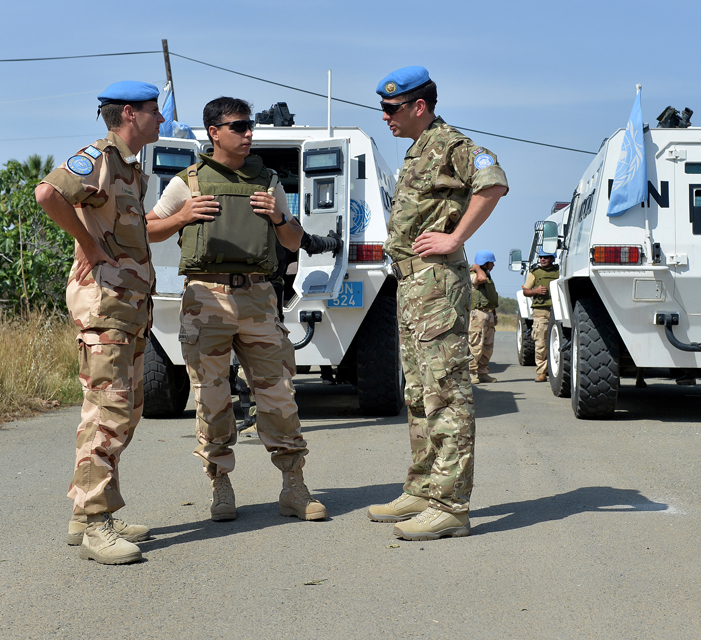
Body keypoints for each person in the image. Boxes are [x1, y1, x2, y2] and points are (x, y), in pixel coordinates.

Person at [145, 96, 326, 522]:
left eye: (249, 127)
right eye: (239, 127)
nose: (249, 134)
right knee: (211, 397)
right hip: (205, 299)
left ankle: (294, 486)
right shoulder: (187, 182)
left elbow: (294, 241)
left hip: (259, 299)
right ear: (214, 132)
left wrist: (280, 218)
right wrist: (183, 216)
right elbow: (148, 229)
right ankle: (220, 484)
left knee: (278, 395)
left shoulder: (268, 181)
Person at [366, 66, 508, 541]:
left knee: (446, 391)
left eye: (391, 109)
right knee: (418, 392)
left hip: (436, 285)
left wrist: (455, 238)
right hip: (411, 285)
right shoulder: (416, 151)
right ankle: (424, 488)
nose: (385, 117)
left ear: (418, 106)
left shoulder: (451, 145)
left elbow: (492, 184)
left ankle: (451, 505)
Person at [35, 81, 164, 564]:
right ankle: (95, 525)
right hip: (104, 306)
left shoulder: (130, 168)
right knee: (105, 414)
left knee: (124, 413)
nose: (161, 119)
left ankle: (87, 510)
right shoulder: (99, 156)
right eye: (154, 111)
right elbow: (47, 192)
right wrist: (87, 246)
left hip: (128, 307)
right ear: (129, 114)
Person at [522, 249, 559, 382]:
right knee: (541, 343)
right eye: (541, 257)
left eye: (546, 257)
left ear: (553, 259)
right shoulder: (535, 273)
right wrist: (535, 291)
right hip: (541, 311)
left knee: (557, 343)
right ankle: (542, 372)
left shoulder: (560, 271)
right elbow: (525, 291)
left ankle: (556, 369)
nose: (543, 259)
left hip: (557, 311)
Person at [469, 251, 499, 384]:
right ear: (484, 263)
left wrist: (494, 314)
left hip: (489, 314)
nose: (493, 265)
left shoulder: (488, 277)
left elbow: (491, 298)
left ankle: (482, 373)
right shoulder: (473, 275)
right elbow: (480, 280)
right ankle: (470, 373)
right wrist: (476, 267)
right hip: (477, 314)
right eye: (491, 263)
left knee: (487, 346)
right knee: (476, 345)